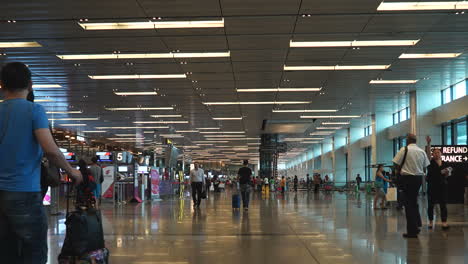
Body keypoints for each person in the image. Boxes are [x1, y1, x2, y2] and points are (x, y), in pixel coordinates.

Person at [0, 62, 82, 263]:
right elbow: (50, 149)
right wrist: (72, 171)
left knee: (5, 250)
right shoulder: (34, 110)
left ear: (1, 85)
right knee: (34, 250)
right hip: (24, 192)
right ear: (30, 84)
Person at [393, 133, 430, 238]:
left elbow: (395, 163)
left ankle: (412, 231)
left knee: (408, 204)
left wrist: (399, 169)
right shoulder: (421, 151)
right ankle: (417, 224)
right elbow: (425, 166)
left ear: (408, 140)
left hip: (407, 178)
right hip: (418, 179)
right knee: (413, 202)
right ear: (415, 141)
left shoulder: (404, 150)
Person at [425, 136, 450, 230]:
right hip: (432, 186)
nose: (436, 154)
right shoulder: (430, 162)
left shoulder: (445, 163)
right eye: (435, 153)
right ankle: (431, 222)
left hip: (442, 186)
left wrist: (447, 173)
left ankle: (444, 222)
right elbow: (427, 154)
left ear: (441, 153)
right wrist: (428, 144)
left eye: (438, 152)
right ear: (432, 154)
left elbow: (447, 175)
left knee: (443, 205)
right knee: (430, 205)